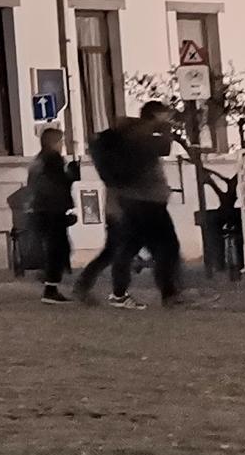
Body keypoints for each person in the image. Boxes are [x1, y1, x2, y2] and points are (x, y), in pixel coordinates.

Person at [73, 100, 183, 309]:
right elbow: (163, 148)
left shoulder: (131, 132)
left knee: (126, 248)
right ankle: (158, 295)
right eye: (164, 116)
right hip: (142, 203)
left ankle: (166, 294)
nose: (168, 120)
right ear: (154, 116)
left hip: (132, 203)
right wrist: (167, 130)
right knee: (157, 248)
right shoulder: (140, 133)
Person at [20, 125, 79, 301]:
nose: (62, 145)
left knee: (56, 247)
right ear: (54, 142)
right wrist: (71, 175)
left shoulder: (38, 161)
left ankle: (50, 282)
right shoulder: (53, 159)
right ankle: (50, 285)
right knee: (58, 248)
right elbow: (58, 184)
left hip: (41, 208)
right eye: (61, 141)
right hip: (52, 209)